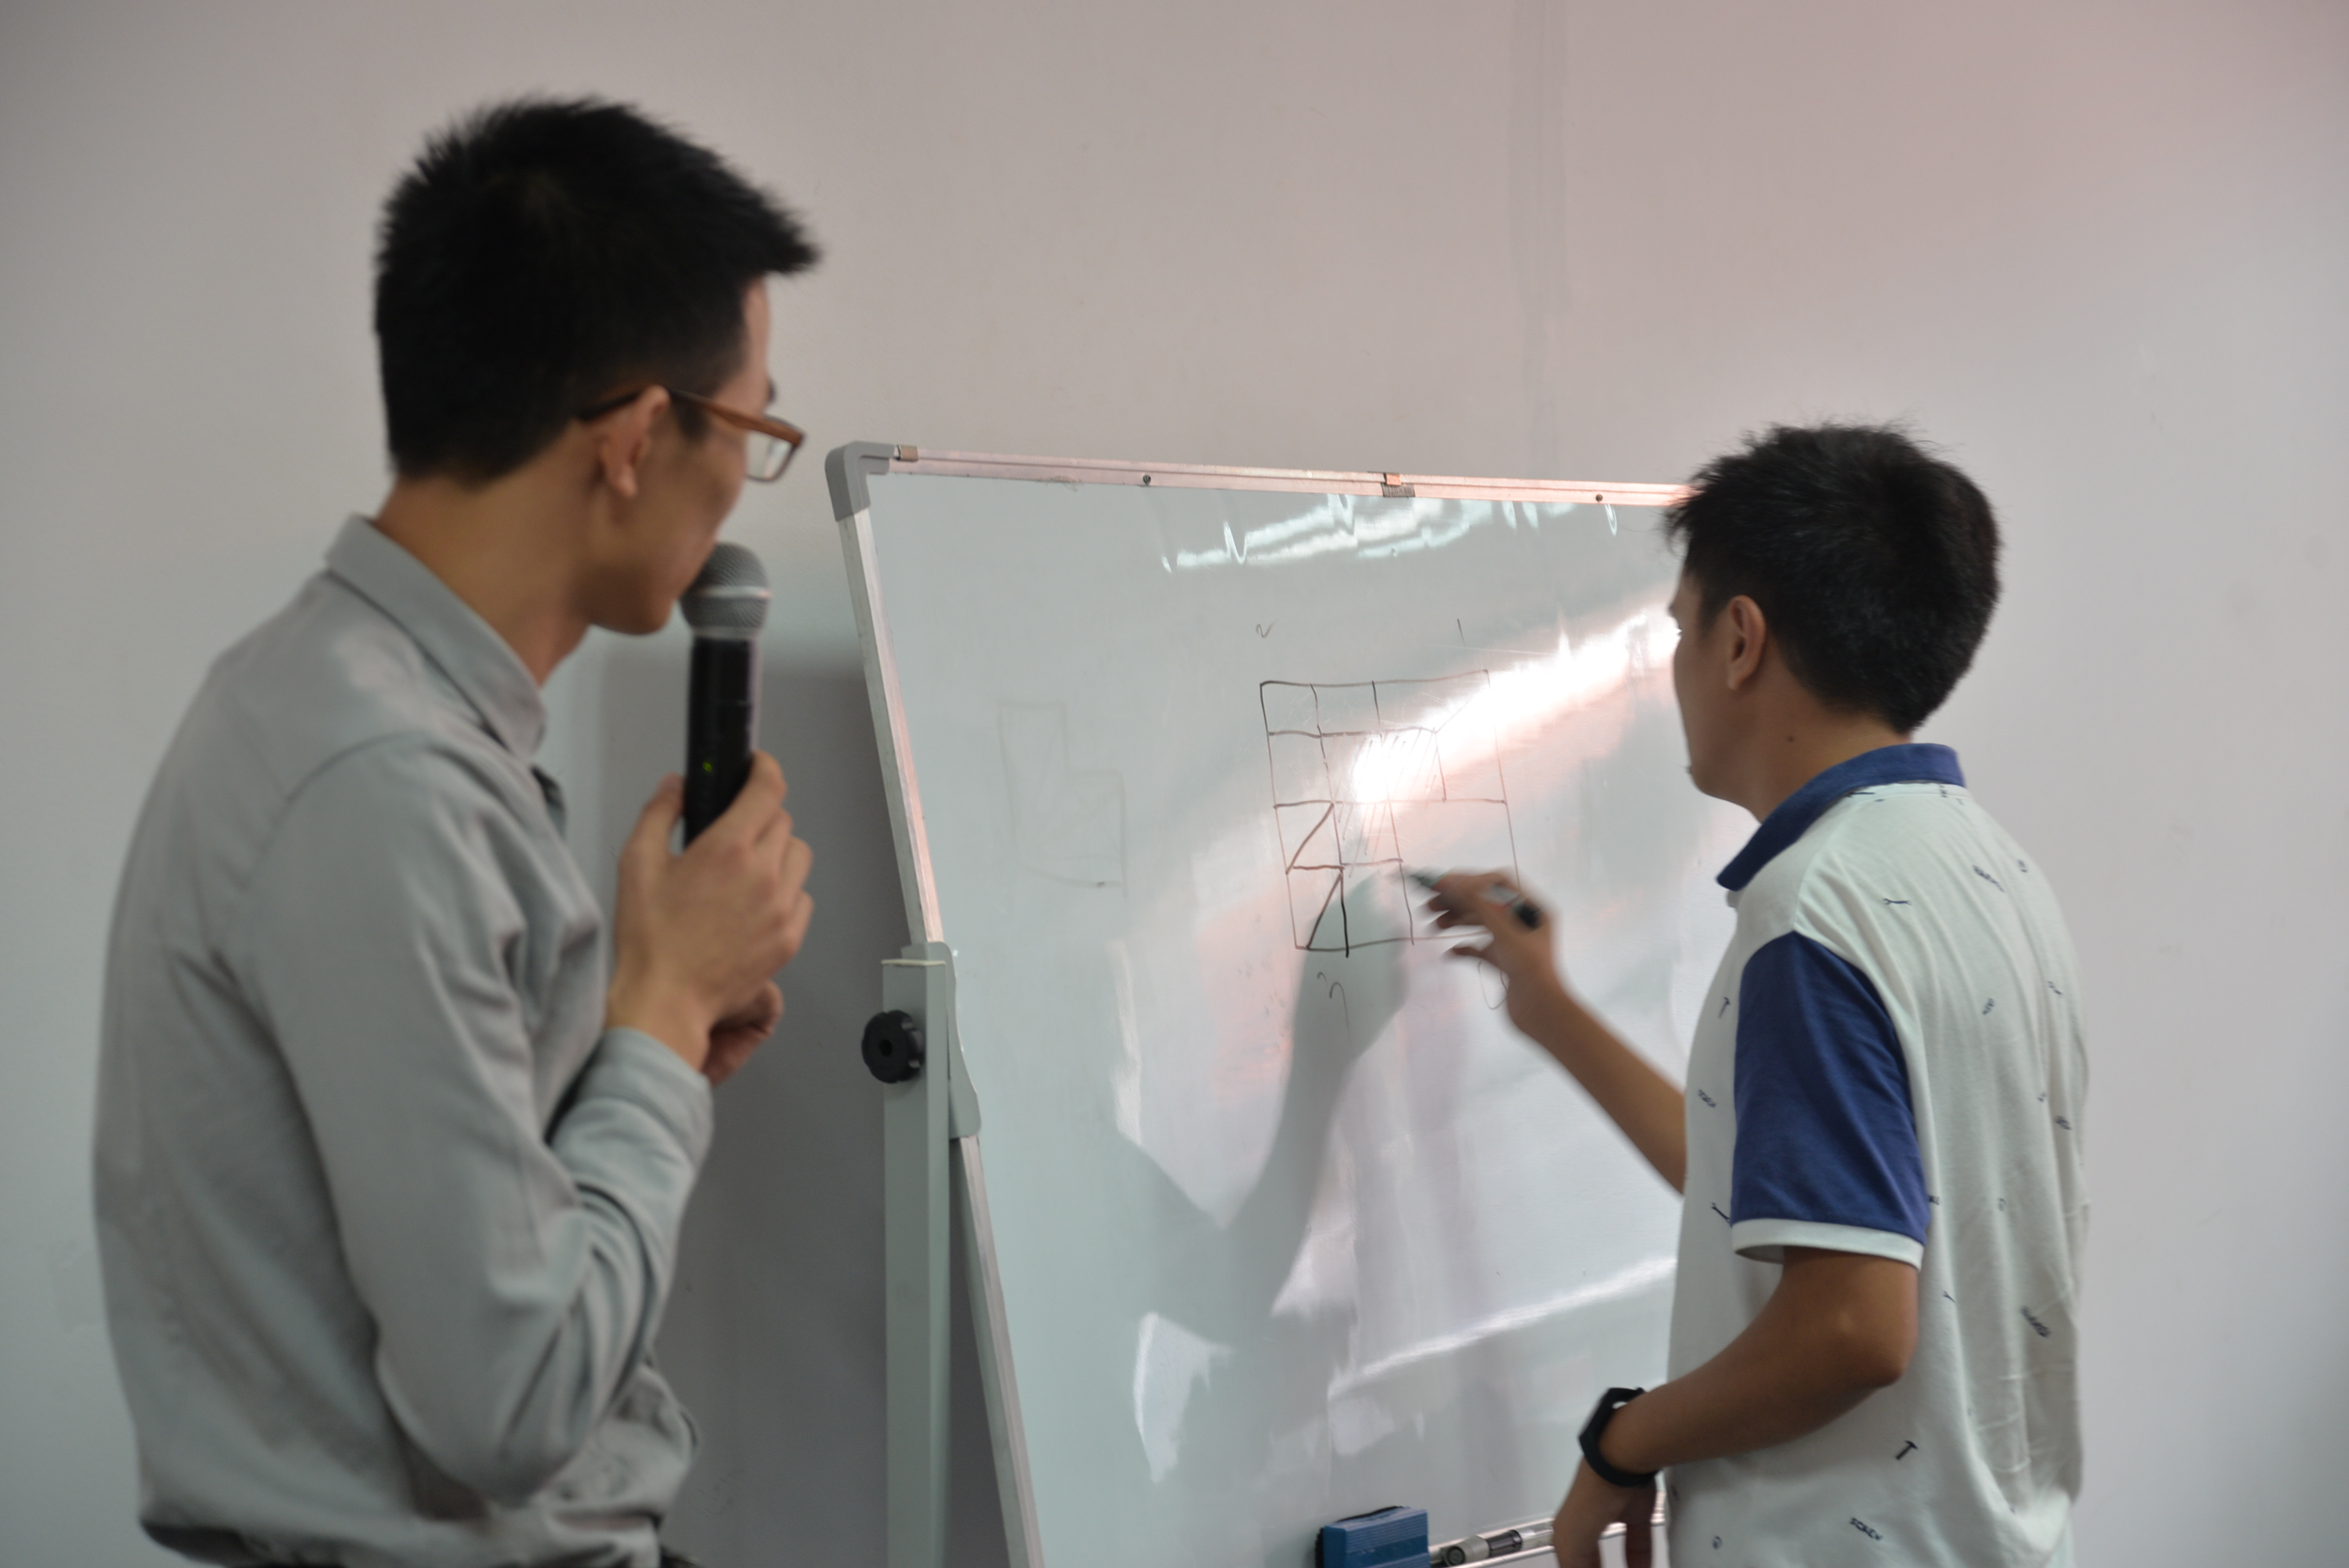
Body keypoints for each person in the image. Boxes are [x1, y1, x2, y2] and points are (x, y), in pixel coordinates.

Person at [93, 98, 819, 1567]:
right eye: (753, 427)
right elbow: (513, 1401)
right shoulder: (384, 778)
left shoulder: (339, 702)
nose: (744, 483)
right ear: (636, 437)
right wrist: (660, 1014)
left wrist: (644, 1048)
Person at [1430, 424, 2087, 1566]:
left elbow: (1849, 1328)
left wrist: (1620, 1446)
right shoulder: (1982, 868)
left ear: (1740, 641)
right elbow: (1778, 1188)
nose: (1675, 670)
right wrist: (1553, 1012)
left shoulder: (1813, 915)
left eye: (1680, 630)